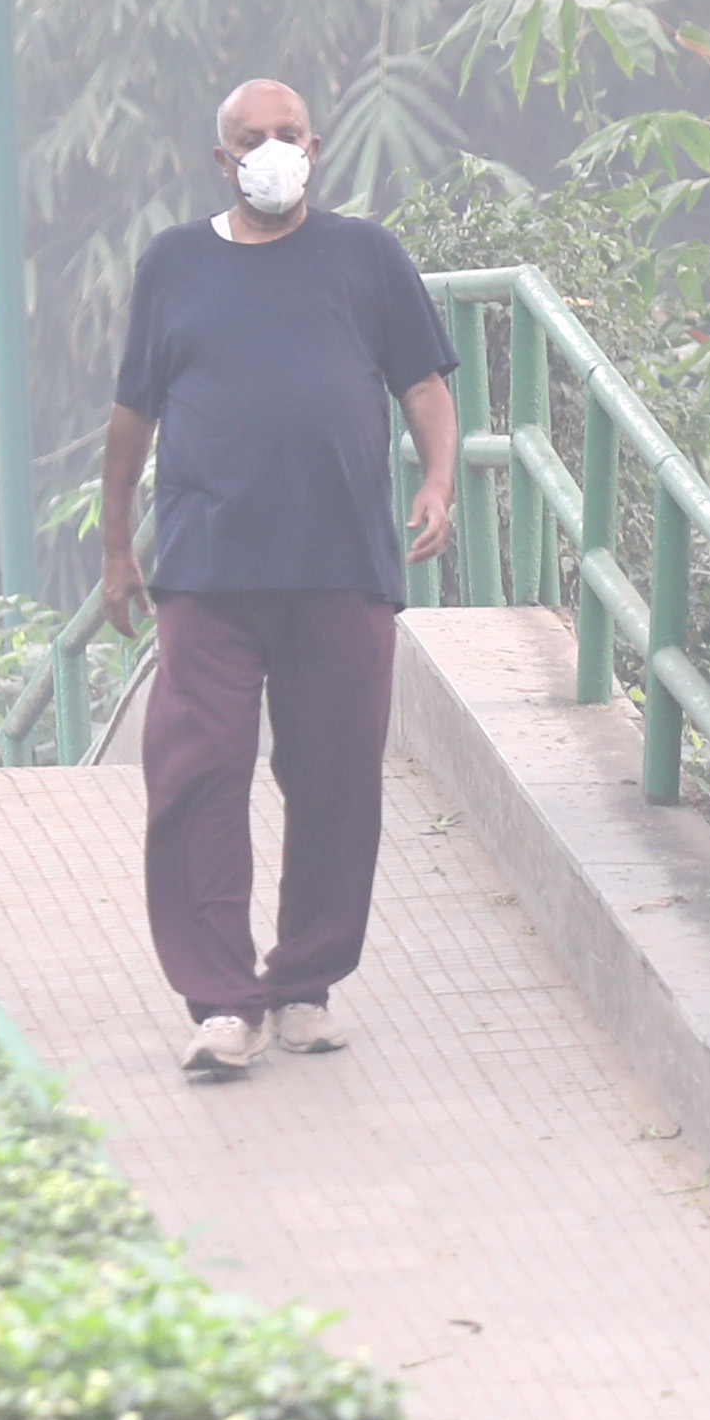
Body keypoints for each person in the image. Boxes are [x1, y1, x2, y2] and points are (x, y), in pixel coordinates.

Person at [98, 77, 459, 1081]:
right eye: (250, 140)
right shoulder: (174, 265)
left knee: (337, 775)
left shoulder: (366, 256)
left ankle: (305, 982)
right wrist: (116, 543)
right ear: (224, 161)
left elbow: (424, 384)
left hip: (341, 564)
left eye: (285, 135)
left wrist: (436, 480)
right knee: (197, 770)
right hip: (210, 570)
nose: (270, 151)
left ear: (316, 145)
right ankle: (221, 1000)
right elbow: (133, 413)